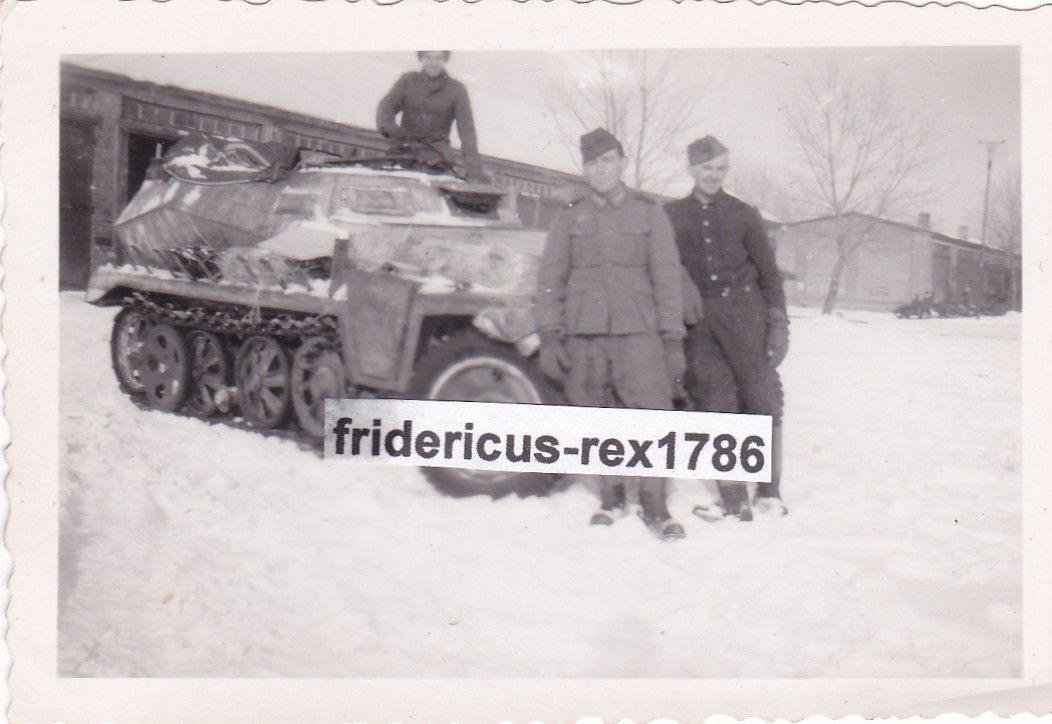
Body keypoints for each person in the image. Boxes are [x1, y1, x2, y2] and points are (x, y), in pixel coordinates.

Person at [535, 128, 687, 541]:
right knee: (599, 414)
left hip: (639, 332)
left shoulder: (649, 212)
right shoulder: (569, 215)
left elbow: (667, 279)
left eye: (607, 161)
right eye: (592, 163)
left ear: (622, 163)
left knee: (652, 417)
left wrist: (672, 338)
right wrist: (550, 334)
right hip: (586, 334)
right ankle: (613, 495)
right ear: (584, 169)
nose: (600, 170)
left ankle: (655, 503)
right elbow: (550, 279)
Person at [664, 136, 790, 520]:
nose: (713, 176)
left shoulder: (744, 214)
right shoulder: (671, 214)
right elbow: (667, 268)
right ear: (690, 169)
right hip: (700, 321)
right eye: (706, 168)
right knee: (715, 401)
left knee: (761, 398)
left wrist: (778, 322)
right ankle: (732, 495)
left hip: (744, 315)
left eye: (720, 169)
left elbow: (769, 273)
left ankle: (770, 491)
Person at [376, 51, 486, 181]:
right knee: (382, 178)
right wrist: (392, 129)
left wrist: (474, 172)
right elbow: (386, 107)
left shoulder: (457, 90)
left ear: (445, 59)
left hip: (436, 158)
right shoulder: (407, 80)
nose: (433, 63)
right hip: (401, 152)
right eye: (428, 57)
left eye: (438, 58)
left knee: (434, 192)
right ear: (421, 58)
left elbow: (467, 132)